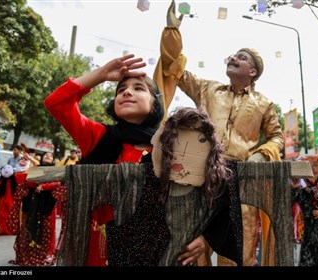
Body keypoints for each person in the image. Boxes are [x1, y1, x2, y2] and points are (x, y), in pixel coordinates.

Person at [153, 0, 284, 266]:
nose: (234, 58)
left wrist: (262, 153)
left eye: (242, 57)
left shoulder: (264, 103)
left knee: (236, 253)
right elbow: (174, 69)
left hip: (240, 182)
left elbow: (277, 137)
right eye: (234, 55)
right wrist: (171, 33)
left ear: (253, 72)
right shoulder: (208, 89)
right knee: (192, 252)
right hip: (200, 178)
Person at [44, 54, 205, 266]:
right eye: (121, 90)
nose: (127, 92)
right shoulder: (98, 137)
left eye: (139, 88)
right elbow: (56, 103)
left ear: (155, 103)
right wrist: (101, 75)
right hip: (100, 249)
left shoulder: (173, 146)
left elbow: (199, 199)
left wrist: (204, 236)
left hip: (158, 249)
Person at [7, 152, 65, 266]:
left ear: (53, 159)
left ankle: (45, 254)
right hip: (31, 204)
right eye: (46, 155)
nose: (48, 156)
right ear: (42, 158)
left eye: (50, 155)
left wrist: (44, 186)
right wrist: (36, 184)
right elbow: (26, 181)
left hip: (47, 205)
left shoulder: (55, 171)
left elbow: (58, 184)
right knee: (27, 230)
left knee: (46, 230)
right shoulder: (34, 169)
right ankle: (27, 254)